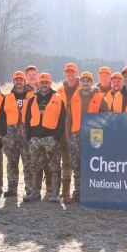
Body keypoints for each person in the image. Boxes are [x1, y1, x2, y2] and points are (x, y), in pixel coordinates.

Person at [65, 72, 110, 204]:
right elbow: (68, 119)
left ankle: (94, 196)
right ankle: (77, 194)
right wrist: (69, 136)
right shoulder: (74, 99)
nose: (85, 83)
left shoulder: (101, 98)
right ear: (80, 83)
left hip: (94, 138)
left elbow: (106, 119)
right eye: (83, 81)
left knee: (94, 166)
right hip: (76, 137)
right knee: (76, 166)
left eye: (88, 81)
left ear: (92, 83)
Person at [24, 73, 67, 203]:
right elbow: (27, 119)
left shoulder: (58, 99)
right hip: (35, 139)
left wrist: (56, 138)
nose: (44, 85)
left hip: (51, 138)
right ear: (38, 83)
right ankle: (35, 193)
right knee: (36, 167)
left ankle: (55, 194)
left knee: (55, 167)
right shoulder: (32, 99)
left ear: (50, 83)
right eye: (42, 82)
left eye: (46, 82)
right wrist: (29, 137)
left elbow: (62, 120)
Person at [0, 71, 34, 197]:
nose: (19, 82)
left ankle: (30, 189)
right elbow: (2, 117)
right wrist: (3, 135)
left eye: (21, 80)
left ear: (25, 81)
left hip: (27, 135)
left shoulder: (32, 96)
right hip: (11, 136)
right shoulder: (7, 97)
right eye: (16, 80)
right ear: (13, 81)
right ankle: (12, 188)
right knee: (12, 162)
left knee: (28, 163)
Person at [55, 63, 79, 200]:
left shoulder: (83, 89)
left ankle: (78, 191)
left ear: (77, 73)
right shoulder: (58, 91)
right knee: (64, 162)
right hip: (61, 131)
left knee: (76, 162)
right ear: (65, 73)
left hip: (77, 130)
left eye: (73, 71)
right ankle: (65, 192)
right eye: (68, 71)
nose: (70, 74)